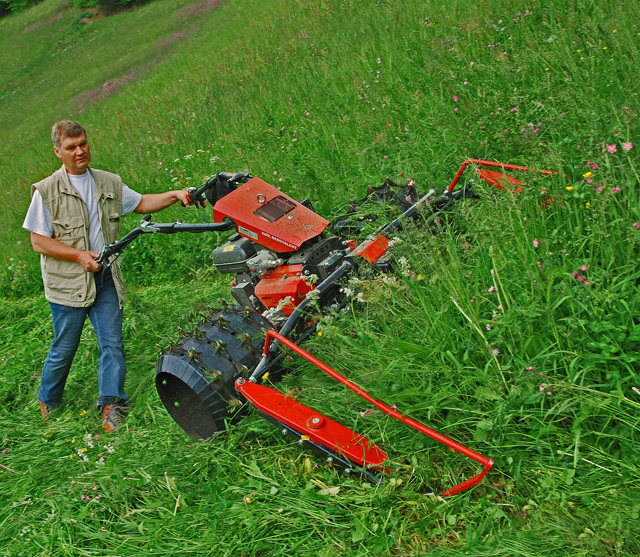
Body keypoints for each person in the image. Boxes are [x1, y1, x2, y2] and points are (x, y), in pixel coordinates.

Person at [23, 120, 195, 432]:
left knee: (112, 343)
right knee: (65, 347)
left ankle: (111, 406)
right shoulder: (47, 191)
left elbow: (142, 203)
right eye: (71, 147)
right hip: (68, 285)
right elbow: (38, 241)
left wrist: (174, 194)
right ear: (57, 152)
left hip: (104, 280)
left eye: (83, 144)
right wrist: (77, 256)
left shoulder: (107, 183)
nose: (80, 151)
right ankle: (49, 399)